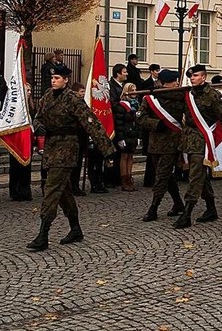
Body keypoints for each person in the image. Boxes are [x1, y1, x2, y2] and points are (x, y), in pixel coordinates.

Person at [26, 63, 115, 251]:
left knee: (50, 188)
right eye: (52, 78)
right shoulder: (47, 96)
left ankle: (43, 234)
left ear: (66, 80)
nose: (53, 81)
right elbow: (38, 116)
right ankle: (76, 229)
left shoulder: (73, 100)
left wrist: (107, 149)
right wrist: (38, 125)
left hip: (67, 148)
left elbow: (91, 123)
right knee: (63, 190)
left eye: (57, 78)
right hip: (51, 147)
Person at [173, 64, 222, 228]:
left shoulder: (213, 95)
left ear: (204, 77)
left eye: (196, 75)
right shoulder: (188, 94)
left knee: (196, 176)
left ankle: (187, 213)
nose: (192, 78)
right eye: (191, 76)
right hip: (190, 140)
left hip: (204, 141)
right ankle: (211, 208)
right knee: (200, 175)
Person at [137, 69, 185, 222]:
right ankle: (178, 203)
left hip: (172, 143)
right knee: (165, 175)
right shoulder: (150, 98)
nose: (177, 83)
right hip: (155, 143)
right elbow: (140, 117)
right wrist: (156, 124)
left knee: (161, 176)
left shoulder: (180, 97)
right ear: (165, 83)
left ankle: (153, 208)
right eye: (174, 81)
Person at [9, 82, 34, 202]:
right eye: (27, 90)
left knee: (26, 167)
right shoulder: (15, 108)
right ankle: (15, 190)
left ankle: (25, 190)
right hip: (17, 141)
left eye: (30, 91)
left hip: (28, 139)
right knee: (16, 167)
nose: (29, 93)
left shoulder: (31, 107)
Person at [115, 82, 140, 191]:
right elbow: (119, 123)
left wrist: (138, 135)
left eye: (135, 89)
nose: (134, 92)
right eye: (132, 89)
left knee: (131, 157)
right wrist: (120, 138)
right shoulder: (122, 105)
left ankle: (129, 178)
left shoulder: (136, 104)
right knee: (124, 157)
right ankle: (124, 180)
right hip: (125, 134)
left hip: (133, 134)